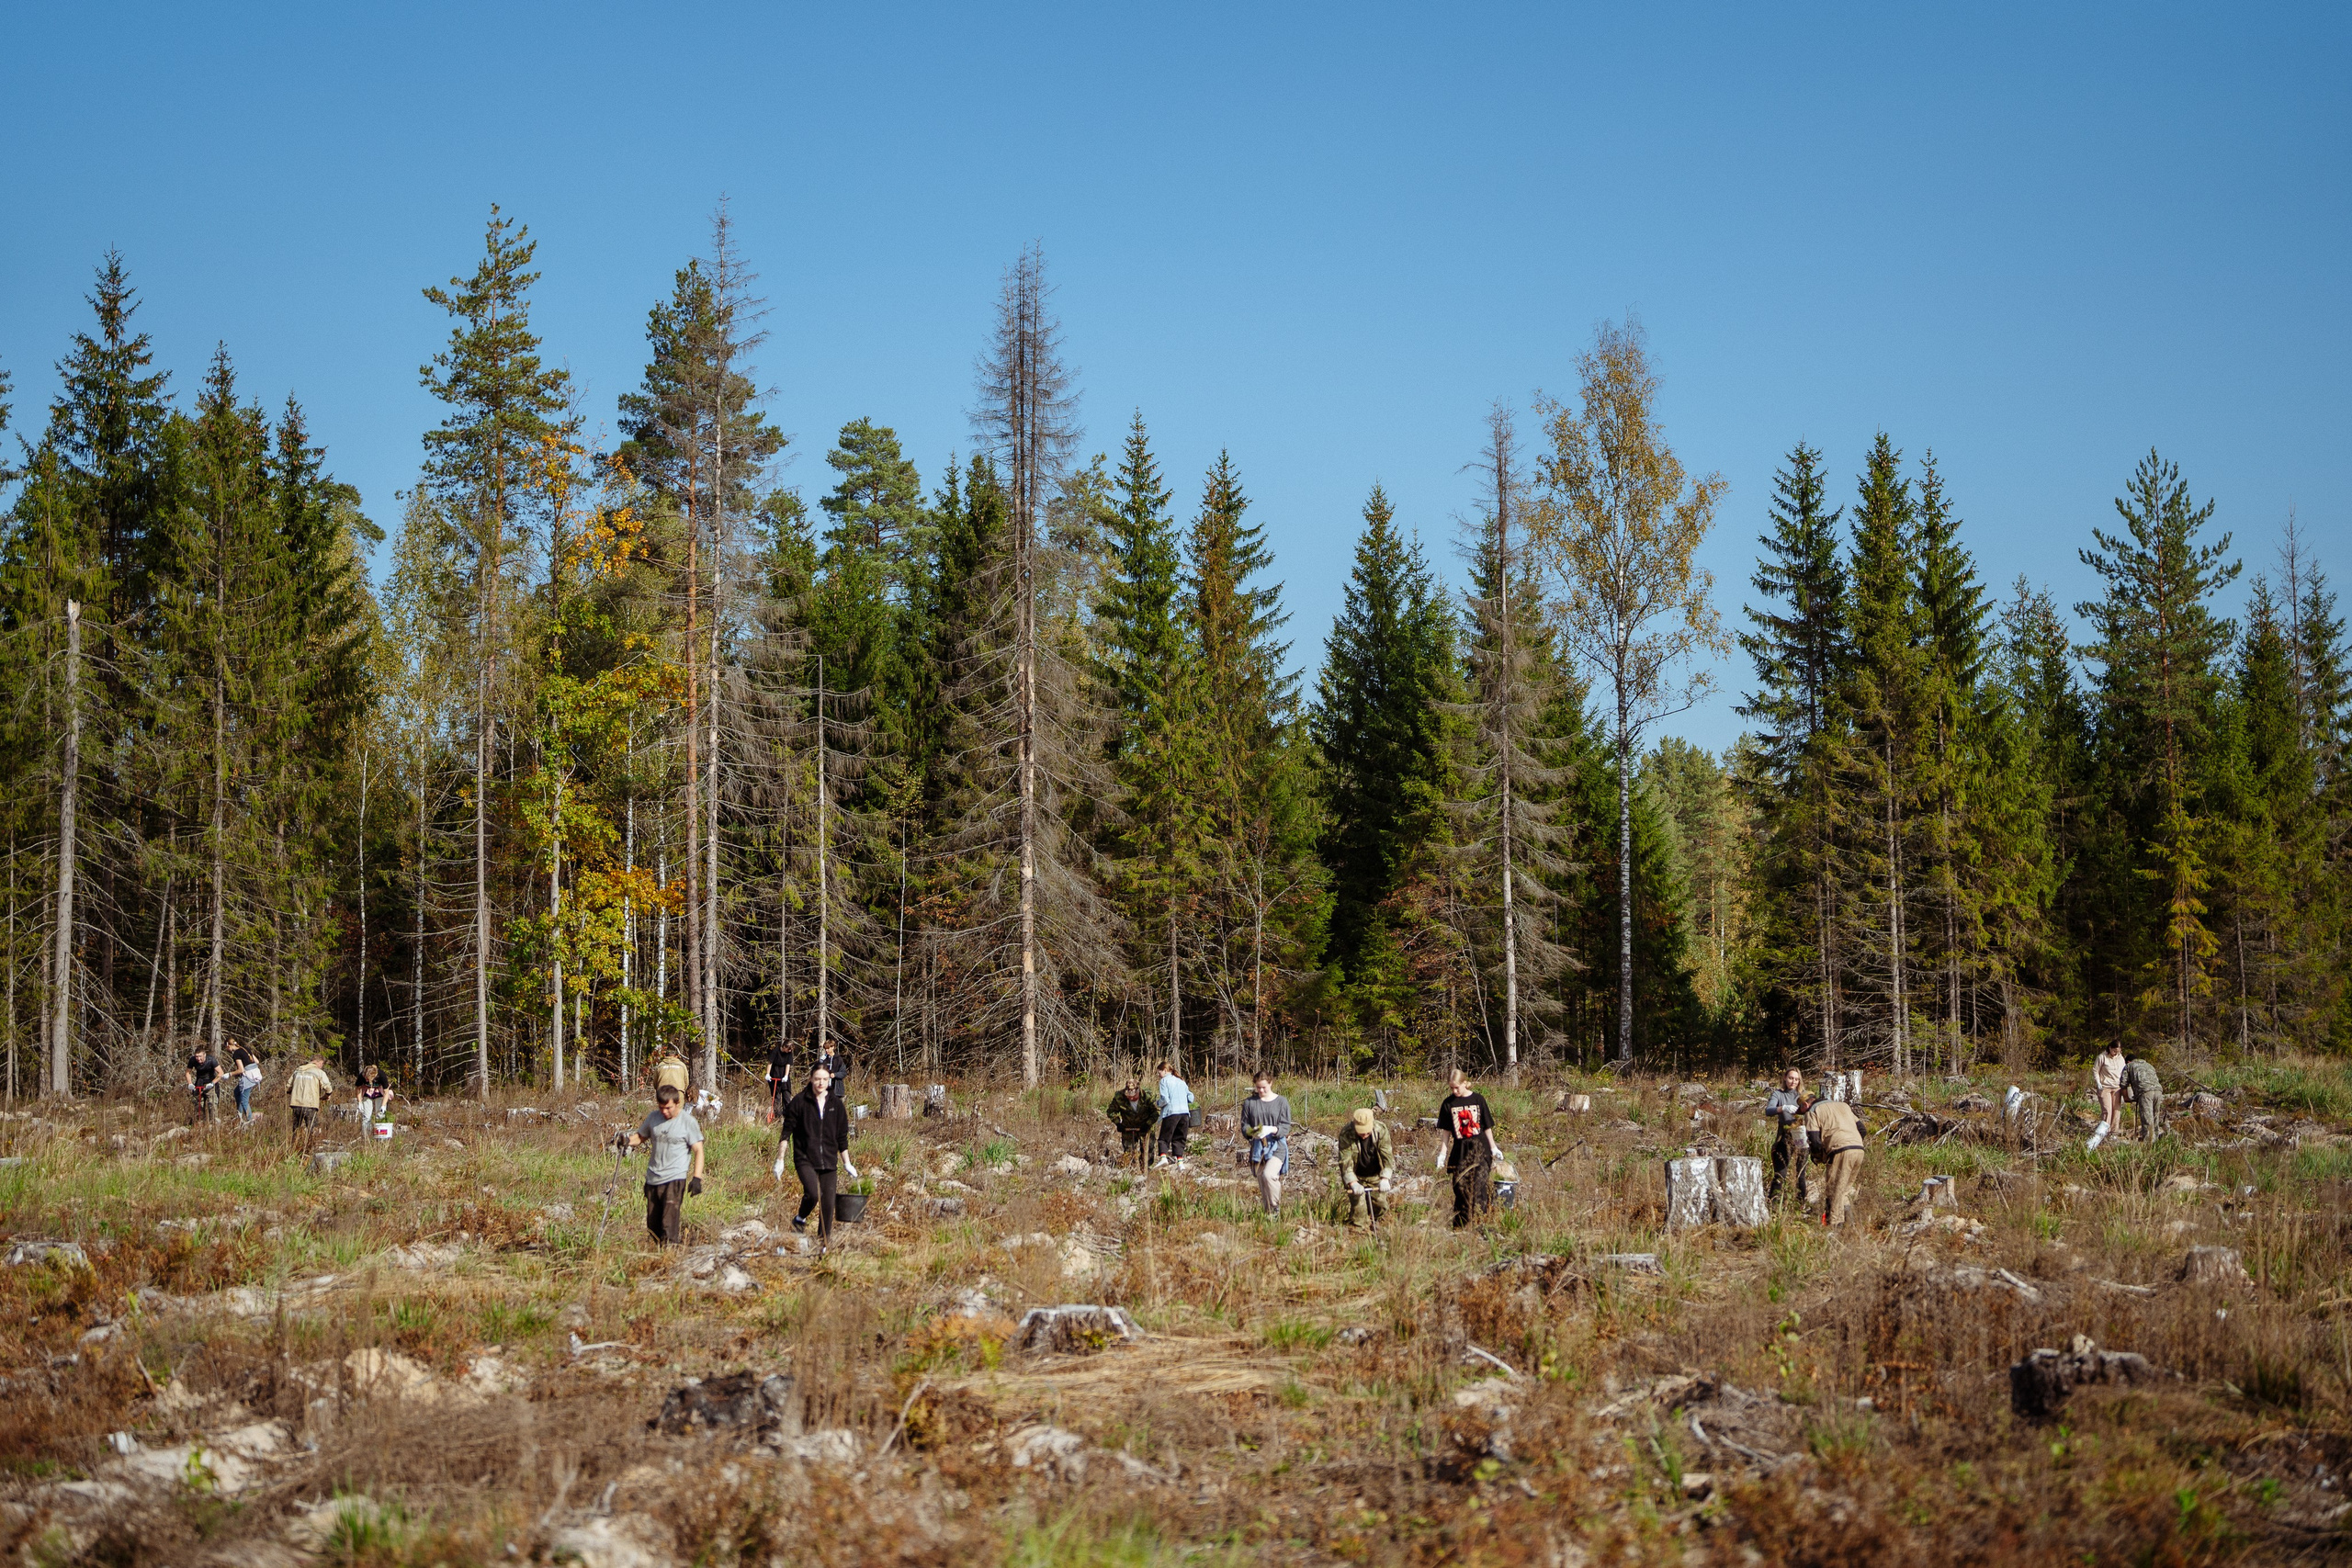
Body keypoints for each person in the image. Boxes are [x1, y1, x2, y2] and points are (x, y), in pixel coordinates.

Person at [628, 1084, 706, 1247]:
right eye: (661, 1107)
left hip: (674, 1179)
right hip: (653, 1179)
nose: (664, 1111)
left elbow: (699, 1150)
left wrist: (697, 1178)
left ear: (677, 1103)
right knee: (653, 1226)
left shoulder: (687, 1122)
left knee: (668, 1225)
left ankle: (671, 1260)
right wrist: (626, 1141)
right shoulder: (653, 1118)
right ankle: (657, 1257)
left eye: (668, 1108)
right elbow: (640, 1137)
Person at [782, 1065, 851, 1247]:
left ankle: (824, 1246)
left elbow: (842, 1136)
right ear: (811, 1078)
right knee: (813, 1194)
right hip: (805, 1158)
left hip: (828, 1160)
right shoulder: (799, 1102)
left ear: (829, 1080)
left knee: (828, 1205)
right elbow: (786, 1131)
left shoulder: (836, 1104)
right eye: (817, 1078)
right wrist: (780, 1159)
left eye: (825, 1079)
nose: (821, 1083)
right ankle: (800, 1217)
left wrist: (847, 1163)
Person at [1438, 1068, 1498, 1228]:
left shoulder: (1478, 1099)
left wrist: (1493, 1147)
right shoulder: (1448, 1103)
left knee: (1478, 1188)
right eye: (1451, 1088)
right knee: (1460, 1188)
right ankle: (1460, 1227)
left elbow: (1487, 1126)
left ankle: (1480, 1225)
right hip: (1460, 1151)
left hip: (1480, 1149)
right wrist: (1442, 1154)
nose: (1454, 1091)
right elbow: (1446, 1131)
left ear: (1465, 1083)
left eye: (1457, 1087)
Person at [1802, 1092, 1868, 1227]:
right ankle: (1850, 1225)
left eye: (1801, 1110)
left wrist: (1818, 1156)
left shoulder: (1812, 1111)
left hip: (1840, 1150)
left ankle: (1835, 1227)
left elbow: (1814, 1140)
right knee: (1845, 1189)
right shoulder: (1843, 1106)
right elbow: (1862, 1129)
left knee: (1834, 1191)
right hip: (1858, 1149)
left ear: (1805, 1104)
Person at [1240, 1072, 1293, 1215]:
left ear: (1270, 1083)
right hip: (1258, 1147)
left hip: (1277, 1146)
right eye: (1258, 1088)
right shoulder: (1250, 1103)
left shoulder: (1281, 1102)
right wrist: (1253, 1132)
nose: (1261, 1091)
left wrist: (1273, 1129)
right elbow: (1244, 1126)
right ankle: (1269, 1216)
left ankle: (1275, 1208)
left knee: (1269, 1176)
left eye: (1264, 1087)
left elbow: (1285, 1126)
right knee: (1263, 1183)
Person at [1337, 1107, 1396, 1230]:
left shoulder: (1381, 1130)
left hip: (1375, 1175)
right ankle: (1359, 1235)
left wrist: (1385, 1178)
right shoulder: (1346, 1133)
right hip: (1357, 1177)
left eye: (1367, 1133)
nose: (1364, 1136)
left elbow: (1387, 1156)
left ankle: (1376, 1225)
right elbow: (1345, 1161)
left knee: (1381, 1206)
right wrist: (1353, 1183)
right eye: (1361, 1132)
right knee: (1359, 1211)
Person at [1765, 1068, 1813, 1208]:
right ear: (1785, 1078)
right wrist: (1783, 1108)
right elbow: (1768, 1110)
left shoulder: (1804, 1095)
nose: (1793, 1081)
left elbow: (1814, 1109)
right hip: (1784, 1136)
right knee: (1780, 1173)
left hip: (1802, 1136)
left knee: (1801, 1174)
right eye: (1791, 1078)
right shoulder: (1778, 1094)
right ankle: (1773, 1205)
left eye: (1796, 1079)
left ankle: (1799, 1206)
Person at [1104, 1081, 1159, 1163]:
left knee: (1148, 1151)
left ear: (1138, 1090)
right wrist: (1118, 1123)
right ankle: (1131, 1170)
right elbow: (1111, 1111)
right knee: (1128, 1152)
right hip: (1128, 1127)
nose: (1131, 1098)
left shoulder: (1147, 1096)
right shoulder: (1120, 1096)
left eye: (1134, 1096)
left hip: (1145, 1126)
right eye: (1129, 1096)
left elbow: (1156, 1111)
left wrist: (1148, 1124)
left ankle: (1146, 1170)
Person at [1152, 1062, 1194, 1165]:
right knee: (1179, 1138)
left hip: (1171, 1113)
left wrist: (1157, 1103)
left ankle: (1163, 1158)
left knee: (1164, 1137)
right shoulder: (1181, 1081)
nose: (1158, 1075)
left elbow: (1165, 1099)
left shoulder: (1164, 1081)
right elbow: (1191, 1098)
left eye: (1159, 1073)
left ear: (1165, 1071)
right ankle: (1180, 1162)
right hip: (1184, 1114)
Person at [288, 1054, 333, 1137]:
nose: (321, 1066)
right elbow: (328, 1088)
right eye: (322, 1064)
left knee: (295, 1129)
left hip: (296, 1104)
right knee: (312, 1129)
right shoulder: (319, 1072)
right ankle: (310, 1147)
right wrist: (326, 1095)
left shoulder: (298, 1070)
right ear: (319, 1062)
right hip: (310, 1104)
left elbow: (288, 1087)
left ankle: (294, 1147)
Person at [2123, 1056, 2164, 1143]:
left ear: (2128, 1061)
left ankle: (2149, 1144)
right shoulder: (2149, 1065)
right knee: (2155, 1117)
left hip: (2145, 1092)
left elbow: (2123, 1083)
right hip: (2158, 1091)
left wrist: (2126, 1098)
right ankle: (2156, 1142)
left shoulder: (2129, 1065)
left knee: (2147, 1119)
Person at [226, 1039, 262, 1126]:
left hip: (248, 1077)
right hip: (255, 1075)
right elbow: (257, 1061)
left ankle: (250, 1120)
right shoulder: (245, 1048)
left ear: (228, 1046)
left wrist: (229, 1074)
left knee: (244, 1100)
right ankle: (240, 1115)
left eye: (226, 1048)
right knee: (237, 1092)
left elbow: (241, 1070)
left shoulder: (236, 1054)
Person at [2093, 1042, 2126, 1135]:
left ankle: (2114, 1132)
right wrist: (2098, 1082)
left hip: (2117, 1087)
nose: (2116, 1053)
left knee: (2116, 1110)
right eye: (2114, 1051)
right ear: (2110, 1048)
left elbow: (2124, 1071)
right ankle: (2104, 1132)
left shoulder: (2120, 1058)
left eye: (2118, 1051)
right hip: (2105, 1087)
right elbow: (2095, 1070)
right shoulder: (2102, 1057)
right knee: (2107, 1110)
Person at [185, 1046, 221, 1124]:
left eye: (200, 1056)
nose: (198, 1059)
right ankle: (200, 1123)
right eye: (196, 1056)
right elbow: (188, 1072)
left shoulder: (211, 1060)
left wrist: (212, 1083)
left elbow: (221, 1073)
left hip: (210, 1082)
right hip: (199, 1082)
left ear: (204, 1055)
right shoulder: (192, 1060)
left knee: (212, 1104)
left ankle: (214, 1123)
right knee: (198, 1104)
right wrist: (190, 1083)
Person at [764, 1038, 796, 1122]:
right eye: (789, 1049)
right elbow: (770, 1063)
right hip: (775, 1075)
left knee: (786, 1097)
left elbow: (788, 1065)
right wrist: (767, 1074)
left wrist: (786, 1076)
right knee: (776, 1097)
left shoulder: (789, 1053)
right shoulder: (776, 1051)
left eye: (791, 1050)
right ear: (784, 1047)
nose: (789, 1051)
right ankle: (778, 1118)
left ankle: (787, 1117)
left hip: (784, 1077)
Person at [356, 1064, 394, 1130]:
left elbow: (386, 1092)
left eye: (368, 1079)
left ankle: (380, 1137)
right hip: (367, 1093)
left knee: (380, 1115)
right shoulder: (362, 1075)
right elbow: (358, 1088)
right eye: (365, 1078)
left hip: (379, 1093)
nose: (366, 1080)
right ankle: (366, 1136)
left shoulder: (381, 1075)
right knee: (367, 1117)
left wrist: (383, 1105)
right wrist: (359, 1102)